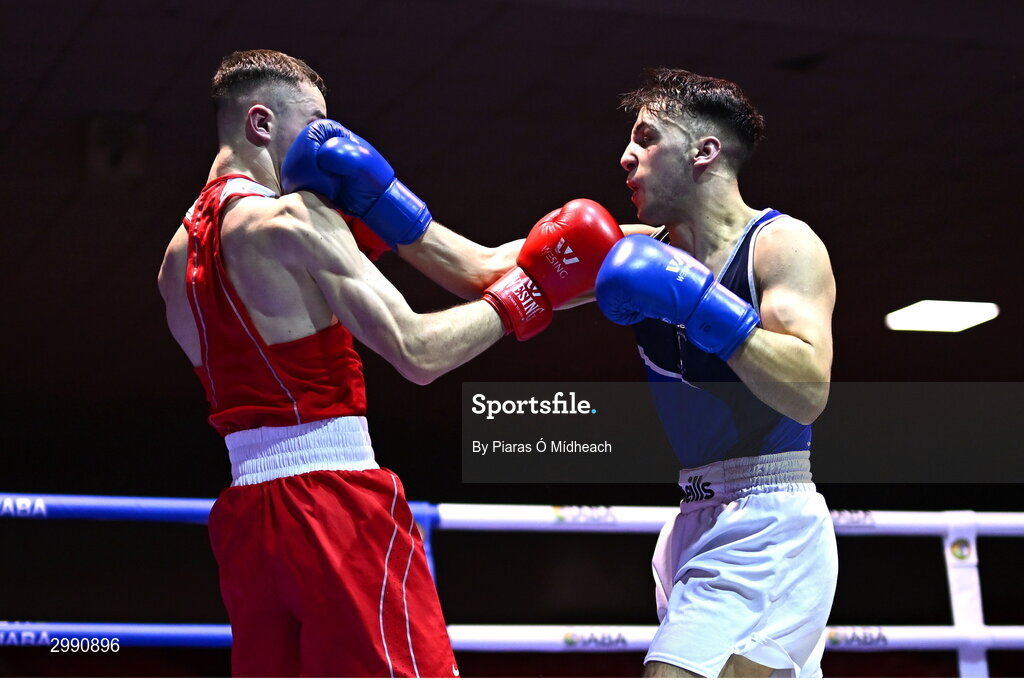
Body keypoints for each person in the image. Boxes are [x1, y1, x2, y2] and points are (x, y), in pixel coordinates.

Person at [157, 49, 622, 677]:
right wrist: (529, 296)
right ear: (261, 124)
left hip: (246, 523)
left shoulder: (174, 259)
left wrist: (628, 247)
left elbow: (479, 267)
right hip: (335, 504)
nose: (330, 141)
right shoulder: (295, 218)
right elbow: (419, 352)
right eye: (316, 122)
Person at [594, 68, 839, 677]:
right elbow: (491, 267)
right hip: (693, 515)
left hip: (766, 516)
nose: (626, 156)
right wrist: (380, 203)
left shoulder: (780, 245)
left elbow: (808, 390)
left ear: (704, 151)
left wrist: (703, 303)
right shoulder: (635, 249)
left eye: (647, 138)